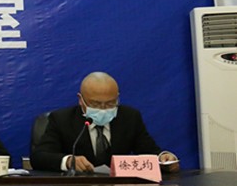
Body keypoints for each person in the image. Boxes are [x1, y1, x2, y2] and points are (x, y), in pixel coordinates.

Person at [31, 71, 180, 173]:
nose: (103, 109)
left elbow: (149, 151)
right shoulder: (61, 119)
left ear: (118, 98)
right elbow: (39, 157)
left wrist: (163, 158)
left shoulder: (129, 117)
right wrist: (69, 161)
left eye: (110, 103)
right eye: (95, 104)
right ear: (81, 100)